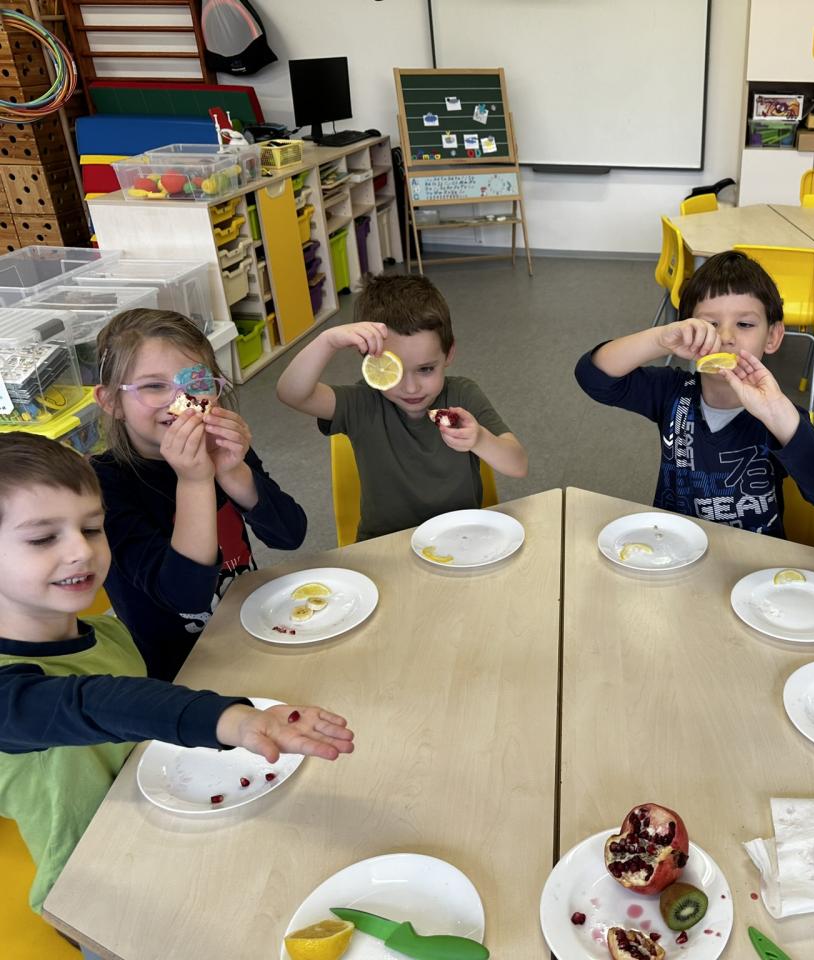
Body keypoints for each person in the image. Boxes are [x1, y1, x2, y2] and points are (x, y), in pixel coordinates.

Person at [0, 433, 354, 933]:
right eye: (42, 538)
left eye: (93, 528)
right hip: (95, 895)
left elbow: (142, 725)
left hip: (171, 827)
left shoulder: (108, 634)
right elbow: (96, 705)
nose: (81, 550)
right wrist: (229, 718)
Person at [91, 309, 307, 681]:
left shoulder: (219, 445)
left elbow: (290, 535)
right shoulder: (103, 485)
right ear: (111, 401)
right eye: (154, 386)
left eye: (196, 380)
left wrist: (233, 472)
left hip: (251, 632)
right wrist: (194, 482)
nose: (182, 400)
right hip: (181, 672)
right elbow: (184, 595)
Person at [574, 250, 814, 537]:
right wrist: (661, 339)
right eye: (710, 325)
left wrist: (779, 416)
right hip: (676, 547)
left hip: (753, 555)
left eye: (745, 324)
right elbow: (593, 377)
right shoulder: (672, 392)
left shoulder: (779, 415)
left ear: (773, 336)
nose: (726, 337)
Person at [276, 273, 527, 542]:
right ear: (372, 363)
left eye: (426, 369)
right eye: (394, 371)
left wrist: (480, 439)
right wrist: (326, 341)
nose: (411, 388)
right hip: (385, 545)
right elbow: (291, 393)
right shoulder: (361, 402)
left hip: (461, 539)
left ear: (449, 353)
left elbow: (518, 465)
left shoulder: (464, 394)